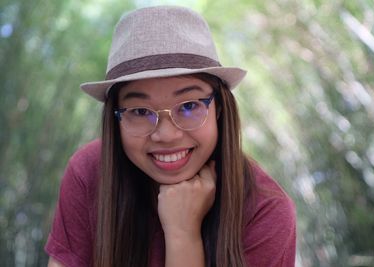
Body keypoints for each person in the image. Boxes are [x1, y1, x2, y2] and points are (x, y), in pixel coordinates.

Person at [45, 5, 296, 267]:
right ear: (115, 118)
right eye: (140, 111)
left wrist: (182, 234)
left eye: (189, 106)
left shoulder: (265, 211)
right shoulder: (89, 172)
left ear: (219, 108)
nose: (166, 135)